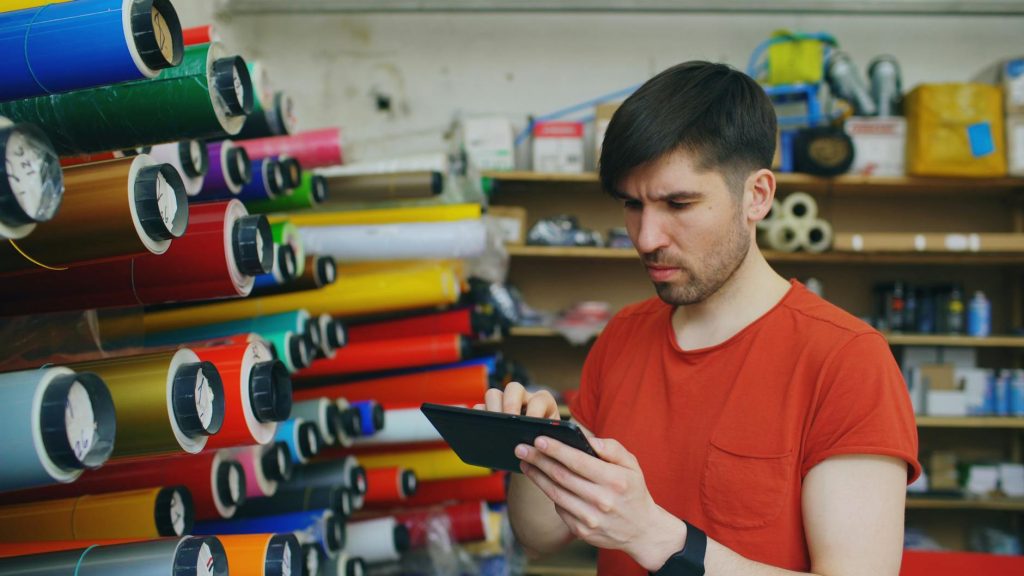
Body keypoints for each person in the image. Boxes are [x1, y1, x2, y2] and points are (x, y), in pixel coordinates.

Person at [477, 61, 920, 576]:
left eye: (678, 203)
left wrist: (652, 535)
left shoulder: (846, 360)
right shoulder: (622, 335)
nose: (646, 238)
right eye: (632, 205)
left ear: (757, 196)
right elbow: (539, 537)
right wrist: (535, 446)